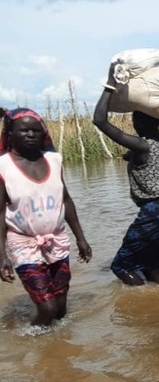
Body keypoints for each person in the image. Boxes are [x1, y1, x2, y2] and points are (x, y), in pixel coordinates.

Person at [92, 63, 159, 286]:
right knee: (151, 267)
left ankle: (141, 302)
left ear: (138, 121)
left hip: (154, 211)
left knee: (120, 266)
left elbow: (100, 121)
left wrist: (109, 87)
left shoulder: (142, 146)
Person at [0, 107, 93, 327]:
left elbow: (66, 199)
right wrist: (2, 255)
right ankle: (34, 344)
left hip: (56, 238)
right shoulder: (3, 167)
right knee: (47, 307)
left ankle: (58, 349)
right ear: (10, 134)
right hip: (23, 242)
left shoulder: (54, 160)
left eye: (36, 130)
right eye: (24, 131)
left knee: (60, 307)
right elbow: (0, 212)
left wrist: (81, 238)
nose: (31, 135)